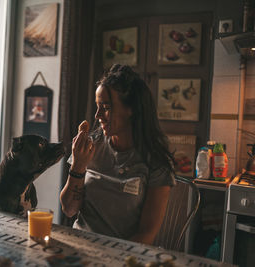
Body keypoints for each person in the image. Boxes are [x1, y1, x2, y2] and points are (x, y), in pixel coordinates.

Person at [60, 64, 175, 245]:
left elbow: (146, 234)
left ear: (132, 110)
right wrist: (78, 166)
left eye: (105, 107)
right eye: (97, 107)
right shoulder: (90, 146)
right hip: (80, 247)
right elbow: (68, 209)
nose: (97, 115)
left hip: (122, 256)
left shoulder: (155, 162)